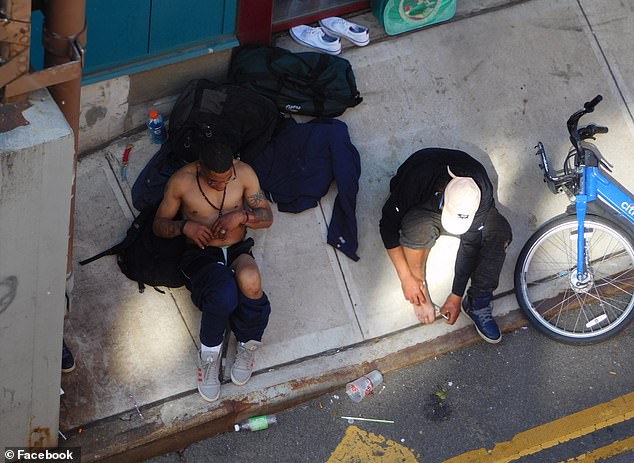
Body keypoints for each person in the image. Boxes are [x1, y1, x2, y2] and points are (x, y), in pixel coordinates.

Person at [153, 141, 273, 401]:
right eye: (213, 182)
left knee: (251, 280)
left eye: (225, 180)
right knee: (223, 293)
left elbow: (266, 217)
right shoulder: (181, 182)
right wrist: (185, 226)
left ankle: (248, 343)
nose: (221, 186)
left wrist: (241, 217)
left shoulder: (244, 174)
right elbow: (159, 225)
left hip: (237, 247)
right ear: (199, 168)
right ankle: (209, 357)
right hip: (201, 253)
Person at [379, 148, 512, 343]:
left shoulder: (481, 192)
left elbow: (470, 245)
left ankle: (478, 302)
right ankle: (419, 290)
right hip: (424, 207)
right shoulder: (417, 180)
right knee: (417, 228)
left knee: (499, 231)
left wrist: (456, 295)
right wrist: (405, 277)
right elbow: (387, 227)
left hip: (466, 208)